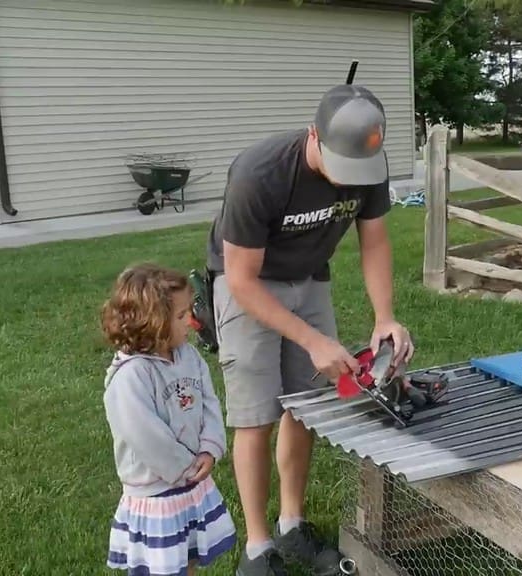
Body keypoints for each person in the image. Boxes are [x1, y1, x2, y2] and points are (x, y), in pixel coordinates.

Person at [204, 83, 414, 576]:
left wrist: (384, 316)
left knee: (307, 405)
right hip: (248, 284)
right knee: (255, 414)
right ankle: (257, 550)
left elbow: (375, 242)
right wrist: (312, 339)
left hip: (310, 278)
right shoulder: (260, 174)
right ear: (314, 135)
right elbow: (241, 280)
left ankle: (291, 526)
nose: (348, 183)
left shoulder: (369, 163)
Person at [100, 263, 237, 576]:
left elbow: (209, 404)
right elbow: (145, 436)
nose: (191, 322)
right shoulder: (131, 376)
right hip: (157, 493)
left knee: (185, 558)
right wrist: (184, 468)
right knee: (161, 567)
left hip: (190, 485)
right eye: (180, 316)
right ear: (152, 322)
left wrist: (209, 448)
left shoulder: (188, 356)